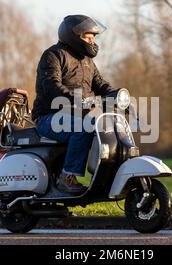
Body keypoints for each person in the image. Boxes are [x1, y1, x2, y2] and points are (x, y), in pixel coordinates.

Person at [31, 15, 114, 193]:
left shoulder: (87, 61)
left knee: (108, 127)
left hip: (79, 115)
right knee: (83, 127)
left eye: (93, 37)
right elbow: (51, 85)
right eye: (88, 36)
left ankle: (107, 176)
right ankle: (66, 177)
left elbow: (100, 84)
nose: (92, 40)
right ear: (73, 35)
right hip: (48, 117)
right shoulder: (53, 55)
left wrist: (117, 94)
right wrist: (77, 101)